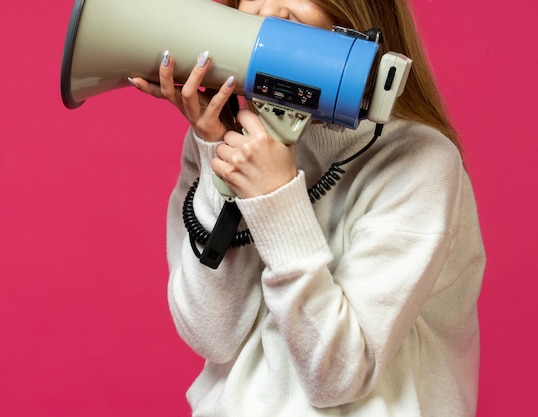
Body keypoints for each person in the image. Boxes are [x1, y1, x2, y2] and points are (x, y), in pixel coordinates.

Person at [130, 0, 486, 415]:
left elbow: (339, 375)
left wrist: (276, 197)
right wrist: (218, 159)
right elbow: (212, 334)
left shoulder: (419, 161)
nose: (272, 12)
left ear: (356, 15)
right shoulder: (227, 144)